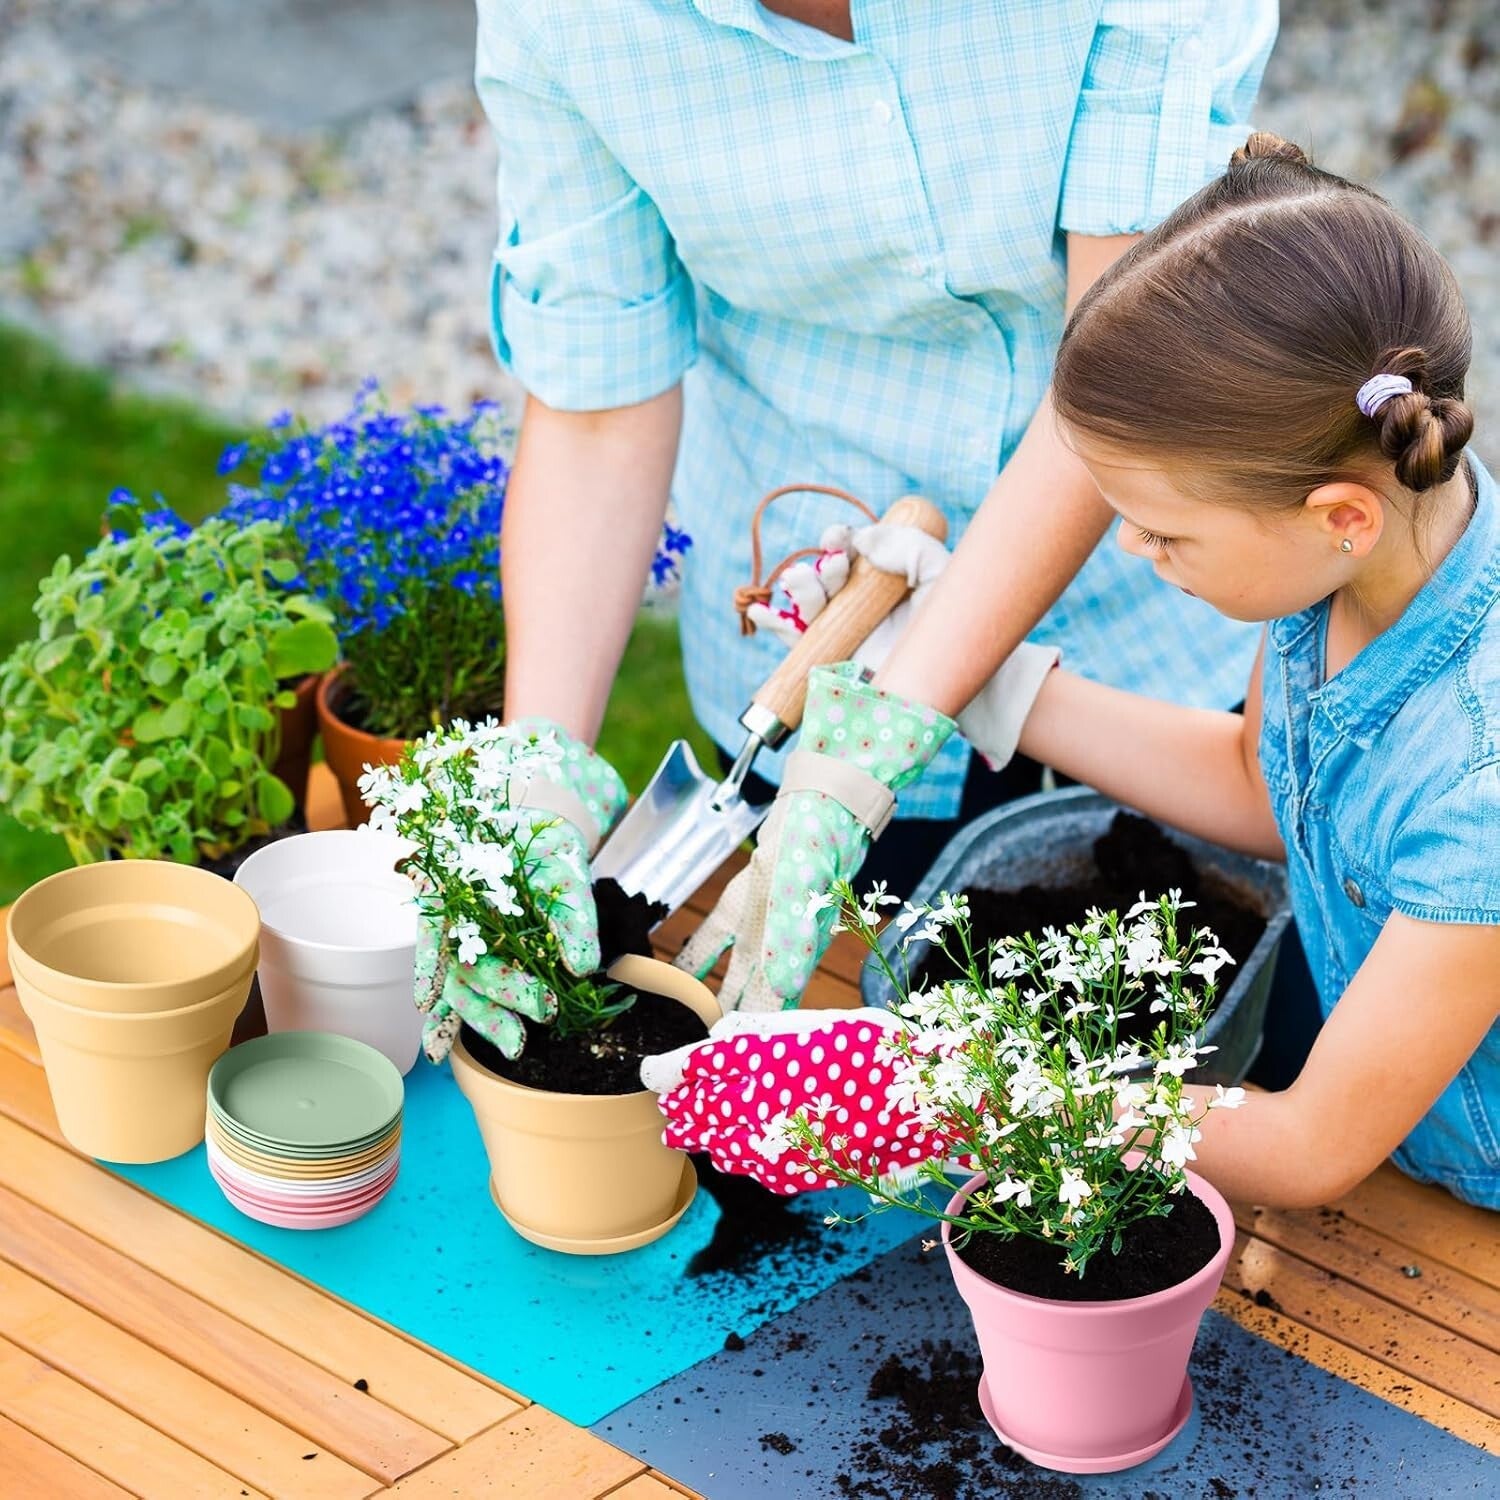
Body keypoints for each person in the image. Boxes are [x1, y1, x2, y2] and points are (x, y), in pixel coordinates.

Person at [649, 132, 1500, 1209]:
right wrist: (984, 678)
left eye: (1167, 534)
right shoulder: (1361, 537)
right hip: (1409, 1140)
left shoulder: (1479, 780)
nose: (1134, 551)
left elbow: (1307, 1149)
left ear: (1340, 516)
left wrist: (958, 1090)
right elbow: (1258, 784)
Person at [425, 1, 1282, 1044]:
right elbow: (600, 413)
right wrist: (540, 765)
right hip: (818, 653)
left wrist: (879, 736)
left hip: (1152, 630)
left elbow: (1115, 369)